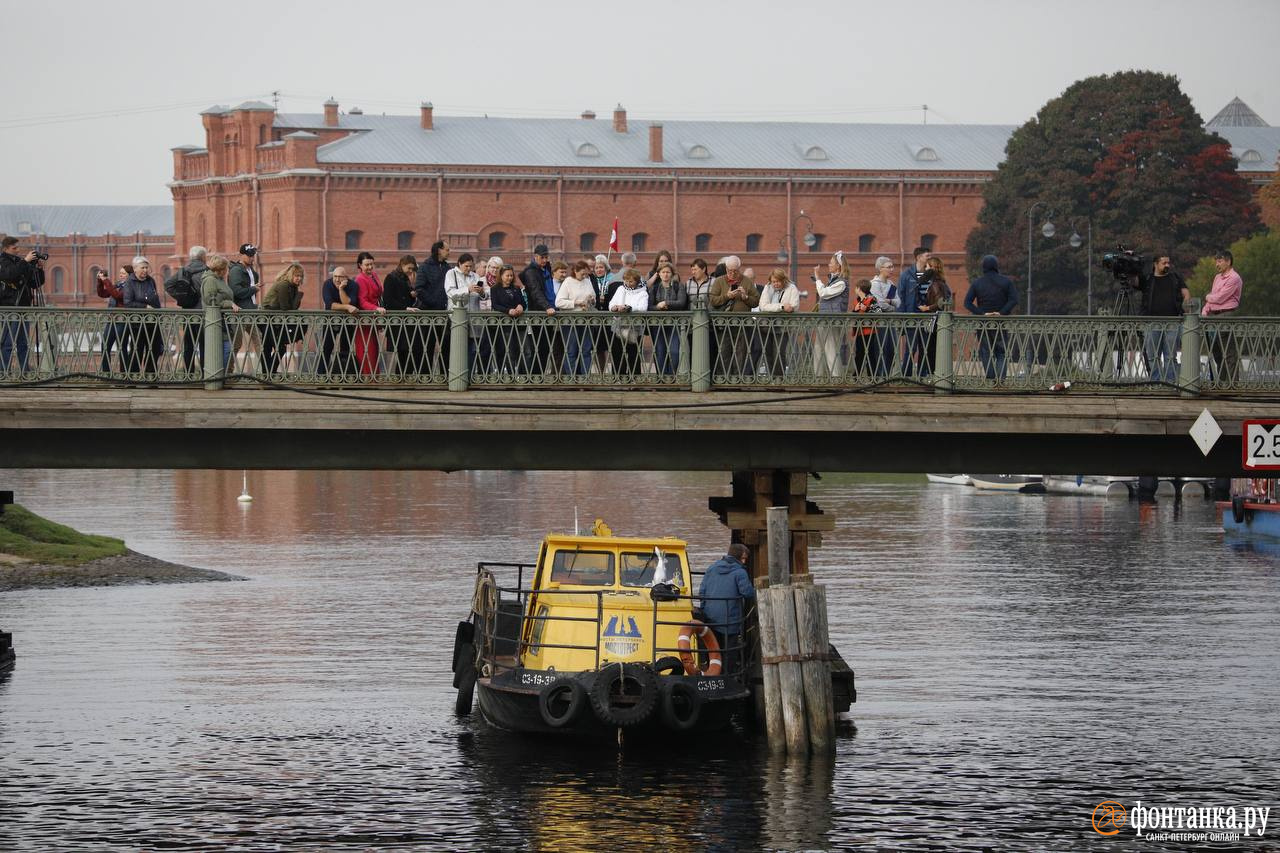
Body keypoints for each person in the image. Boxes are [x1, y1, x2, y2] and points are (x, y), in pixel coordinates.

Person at [697, 544, 756, 676]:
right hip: (730, 619)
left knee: (712, 647)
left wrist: (705, 608)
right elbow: (747, 593)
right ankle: (728, 675)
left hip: (710, 617)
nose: (745, 561)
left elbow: (702, 592)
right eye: (744, 558)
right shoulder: (740, 572)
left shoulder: (712, 568)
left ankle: (711, 673)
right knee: (730, 650)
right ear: (739, 558)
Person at [963, 254, 1018, 381]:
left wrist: (982, 314)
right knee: (1001, 352)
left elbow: (967, 303)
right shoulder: (1006, 281)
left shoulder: (977, 283)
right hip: (1000, 322)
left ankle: (990, 378)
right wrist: (1001, 312)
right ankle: (1000, 379)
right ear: (996, 266)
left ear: (984, 267)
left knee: (986, 351)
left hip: (984, 323)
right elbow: (1014, 300)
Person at [1136, 253, 1189, 384]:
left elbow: (1186, 293)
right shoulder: (1148, 279)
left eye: (1168, 263)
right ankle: (1155, 382)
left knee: (1170, 356)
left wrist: (1185, 306)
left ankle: (1170, 383)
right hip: (1152, 322)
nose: (1167, 265)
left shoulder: (1175, 277)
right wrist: (1134, 267)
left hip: (1173, 322)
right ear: (1155, 264)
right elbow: (1135, 282)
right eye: (1164, 263)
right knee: (1152, 355)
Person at [0, 236, 45, 374]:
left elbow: (35, 283)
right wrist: (25, 261)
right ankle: (3, 371)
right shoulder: (2, 261)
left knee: (23, 342)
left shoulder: (20, 262)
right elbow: (9, 275)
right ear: (5, 249)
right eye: (14, 248)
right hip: (10, 307)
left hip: (23, 307)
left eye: (18, 247)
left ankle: (25, 370)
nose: (17, 250)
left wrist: (39, 270)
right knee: (7, 342)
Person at [709, 256, 759, 375]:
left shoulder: (746, 281)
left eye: (735, 271)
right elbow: (713, 300)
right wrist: (727, 296)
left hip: (742, 324)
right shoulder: (719, 281)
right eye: (729, 271)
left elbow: (756, 300)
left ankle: (737, 380)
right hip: (724, 323)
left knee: (740, 353)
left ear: (739, 269)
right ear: (726, 269)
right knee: (724, 351)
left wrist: (745, 297)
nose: (732, 273)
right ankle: (725, 380)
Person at [1202, 250, 1243, 383]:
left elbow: (1219, 298)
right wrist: (1205, 312)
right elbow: (1213, 299)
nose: (1217, 264)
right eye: (1216, 261)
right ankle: (1221, 383)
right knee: (1217, 352)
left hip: (1226, 314)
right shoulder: (1217, 277)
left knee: (1229, 351)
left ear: (1228, 261)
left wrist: (1208, 297)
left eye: (1219, 261)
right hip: (1213, 316)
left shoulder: (1234, 278)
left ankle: (1232, 384)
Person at [260, 262, 305, 377]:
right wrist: (298, 296)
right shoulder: (284, 285)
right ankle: (269, 373)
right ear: (291, 275)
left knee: (269, 347)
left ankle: (268, 374)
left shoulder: (293, 287)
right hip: (267, 319)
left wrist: (298, 294)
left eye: (301, 276)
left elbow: (291, 308)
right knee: (277, 347)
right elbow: (286, 308)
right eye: (296, 275)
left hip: (274, 320)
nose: (299, 278)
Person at [121, 256, 163, 379]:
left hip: (153, 321)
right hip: (137, 323)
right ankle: (132, 378)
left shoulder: (151, 280)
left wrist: (157, 312)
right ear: (135, 269)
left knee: (154, 350)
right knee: (137, 351)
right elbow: (128, 303)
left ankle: (151, 377)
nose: (145, 270)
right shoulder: (129, 282)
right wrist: (145, 307)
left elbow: (155, 298)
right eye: (142, 267)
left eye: (146, 267)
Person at [414, 240, 452, 373]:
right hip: (428, 313)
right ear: (439, 250)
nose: (449, 252)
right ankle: (425, 377)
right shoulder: (425, 267)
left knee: (446, 345)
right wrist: (434, 302)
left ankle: (446, 376)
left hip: (444, 313)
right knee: (427, 346)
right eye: (447, 249)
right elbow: (419, 288)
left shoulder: (448, 268)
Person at [811, 251, 851, 377]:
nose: (829, 265)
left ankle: (836, 377)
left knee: (831, 349)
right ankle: (818, 376)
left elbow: (823, 293)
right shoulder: (834, 281)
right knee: (818, 348)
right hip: (824, 319)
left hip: (833, 320)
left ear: (838, 266)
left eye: (831, 263)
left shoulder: (841, 283)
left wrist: (817, 278)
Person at [445, 253, 487, 372]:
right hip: (456, 316)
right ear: (459, 264)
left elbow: (483, 297)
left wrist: (482, 293)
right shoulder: (451, 274)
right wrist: (467, 289)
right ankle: (457, 374)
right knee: (458, 347)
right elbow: (450, 293)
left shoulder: (475, 276)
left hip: (473, 317)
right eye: (466, 266)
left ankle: (469, 375)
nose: (469, 269)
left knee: (473, 349)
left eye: (470, 266)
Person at [382, 254, 422, 377]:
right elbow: (388, 300)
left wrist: (412, 295)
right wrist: (405, 308)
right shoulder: (391, 277)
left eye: (412, 269)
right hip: (397, 321)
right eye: (409, 268)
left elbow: (403, 296)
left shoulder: (404, 278)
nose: (411, 271)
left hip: (405, 321)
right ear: (402, 265)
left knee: (408, 351)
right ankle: (400, 378)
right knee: (402, 351)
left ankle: (405, 377)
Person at [555, 260, 597, 376]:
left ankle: (585, 378)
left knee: (586, 350)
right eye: (582, 274)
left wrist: (592, 300)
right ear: (575, 271)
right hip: (570, 321)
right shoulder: (568, 282)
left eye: (586, 274)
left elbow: (594, 298)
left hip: (586, 320)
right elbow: (559, 302)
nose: (584, 276)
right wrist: (576, 303)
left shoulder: (588, 281)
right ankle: (572, 378)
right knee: (571, 350)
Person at [520, 244, 557, 374]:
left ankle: (539, 375)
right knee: (539, 347)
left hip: (549, 312)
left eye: (546, 257)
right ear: (535, 257)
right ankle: (536, 376)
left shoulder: (545, 268)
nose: (545, 260)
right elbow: (536, 292)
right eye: (542, 257)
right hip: (539, 313)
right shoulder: (531, 272)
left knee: (545, 348)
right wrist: (547, 307)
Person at [914, 257, 952, 376]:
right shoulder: (941, 282)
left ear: (932, 268)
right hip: (939, 321)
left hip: (934, 321)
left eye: (927, 267)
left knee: (930, 350)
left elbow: (940, 303)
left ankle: (931, 376)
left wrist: (927, 308)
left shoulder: (935, 284)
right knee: (933, 350)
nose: (925, 269)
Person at [757, 269, 800, 377]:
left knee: (779, 353)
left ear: (783, 280)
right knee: (768, 353)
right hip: (766, 326)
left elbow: (793, 306)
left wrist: (775, 307)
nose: (775, 284)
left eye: (777, 281)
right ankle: (771, 378)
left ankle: (778, 380)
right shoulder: (767, 287)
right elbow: (763, 306)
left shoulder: (792, 288)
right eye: (773, 281)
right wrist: (781, 306)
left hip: (782, 326)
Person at [648, 261, 688, 376]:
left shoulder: (678, 286)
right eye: (663, 272)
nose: (665, 274)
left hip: (674, 323)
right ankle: (662, 378)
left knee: (674, 351)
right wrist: (658, 307)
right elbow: (649, 306)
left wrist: (666, 303)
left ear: (672, 274)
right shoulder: (654, 288)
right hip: (658, 324)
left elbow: (681, 302)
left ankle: (671, 377)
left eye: (668, 272)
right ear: (659, 274)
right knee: (660, 352)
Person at [608, 268, 649, 376]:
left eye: (630, 281)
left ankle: (634, 379)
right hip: (618, 326)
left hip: (634, 327)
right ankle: (618, 378)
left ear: (636, 281)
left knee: (633, 354)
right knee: (617, 354)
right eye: (626, 280)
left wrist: (629, 308)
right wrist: (615, 308)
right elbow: (612, 303)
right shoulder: (620, 289)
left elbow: (643, 307)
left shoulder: (643, 292)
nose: (627, 283)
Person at [319, 266, 359, 376]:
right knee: (326, 348)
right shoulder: (327, 284)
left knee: (345, 349)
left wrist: (341, 289)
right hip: (330, 321)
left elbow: (351, 303)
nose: (336, 280)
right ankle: (320, 377)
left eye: (340, 277)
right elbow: (330, 305)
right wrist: (346, 307)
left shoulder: (353, 285)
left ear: (346, 277)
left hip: (348, 322)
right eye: (335, 276)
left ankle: (342, 376)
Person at [489, 264, 528, 374]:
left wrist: (521, 306)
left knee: (523, 350)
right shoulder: (495, 289)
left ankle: (523, 375)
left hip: (519, 323)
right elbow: (495, 305)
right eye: (507, 275)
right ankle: (510, 377)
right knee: (509, 351)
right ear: (501, 276)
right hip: (505, 324)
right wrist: (508, 310)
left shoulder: (516, 288)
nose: (510, 278)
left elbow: (523, 303)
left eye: (511, 275)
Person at [898, 246, 932, 376]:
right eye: (927, 256)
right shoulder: (906, 275)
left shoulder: (930, 274)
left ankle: (922, 375)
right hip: (911, 316)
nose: (929, 258)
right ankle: (906, 374)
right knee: (911, 348)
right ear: (918, 257)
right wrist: (902, 318)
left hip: (927, 317)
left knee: (925, 347)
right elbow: (901, 296)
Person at [228, 243, 261, 368]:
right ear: (241, 255)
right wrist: (253, 289)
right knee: (236, 344)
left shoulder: (251, 271)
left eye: (253, 255)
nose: (252, 258)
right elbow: (236, 291)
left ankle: (266, 372)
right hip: (240, 313)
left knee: (259, 341)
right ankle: (228, 372)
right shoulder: (236, 270)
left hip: (251, 311)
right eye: (249, 255)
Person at [353, 252, 386, 375]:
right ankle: (367, 377)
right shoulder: (360, 279)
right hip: (365, 320)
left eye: (371, 264)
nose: (370, 267)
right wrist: (376, 308)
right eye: (367, 265)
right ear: (360, 265)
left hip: (373, 319)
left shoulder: (374, 276)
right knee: (367, 350)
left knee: (374, 349)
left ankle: (374, 377)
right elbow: (362, 301)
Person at [96, 264, 131, 373]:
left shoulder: (130, 287)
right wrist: (100, 281)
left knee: (122, 348)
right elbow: (102, 293)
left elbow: (117, 295)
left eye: (123, 273)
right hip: (111, 320)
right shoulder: (118, 284)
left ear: (130, 275)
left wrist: (106, 281)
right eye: (120, 273)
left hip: (122, 320)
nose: (121, 275)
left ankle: (124, 374)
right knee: (105, 346)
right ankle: (106, 373)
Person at [178, 246, 208, 375]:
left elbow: (169, 285)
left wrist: (183, 298)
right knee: (204, 346)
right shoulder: (207, 271)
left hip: (188, 313)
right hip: (203, 313)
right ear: (203, 257)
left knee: (188, 346)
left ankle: (188, 374)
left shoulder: (183, 270)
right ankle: (205, 374)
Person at [868, 256, 900, 376]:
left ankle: (887, 375)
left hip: (890, 321)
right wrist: (892, 305)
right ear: (880, 268)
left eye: (892, 266)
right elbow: (880, 304)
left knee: (892, 350)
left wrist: (890, 301)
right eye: (889, 267)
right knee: (881, 350)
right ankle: (879, 377)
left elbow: (899, 302)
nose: (892, 269)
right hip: (879, 322)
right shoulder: (874, 284)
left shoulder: (891, 284)